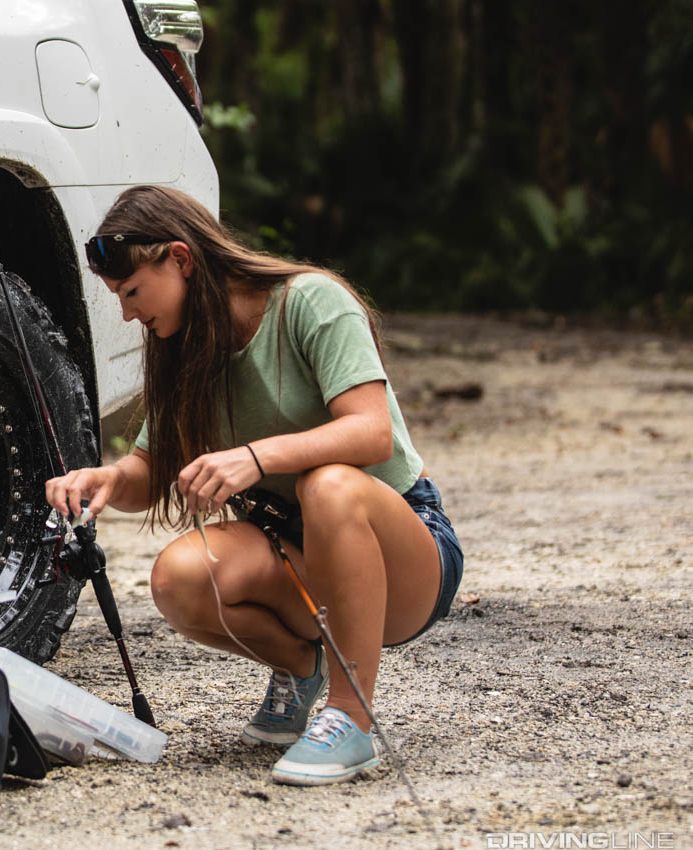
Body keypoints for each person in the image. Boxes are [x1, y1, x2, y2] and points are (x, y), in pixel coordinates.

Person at [45, 185, 463, 786]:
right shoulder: (185, 346)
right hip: (298, 554)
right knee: (179, 577)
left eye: (132, 292)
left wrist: (254, 457)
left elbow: (372, 434)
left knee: (330, 487)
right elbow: (149, 471)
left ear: (181, 259)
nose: (128, 313)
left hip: (403, 554)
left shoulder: (311, 302)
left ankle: (351, 717)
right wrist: (106, 479)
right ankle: (301, 666)